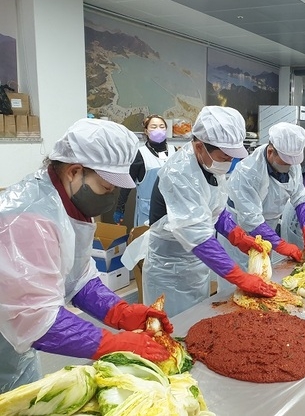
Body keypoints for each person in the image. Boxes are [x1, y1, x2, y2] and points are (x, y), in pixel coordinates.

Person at [0, 119, 173, 393]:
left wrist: (119, 311)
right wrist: (114, 344)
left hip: (17, 352)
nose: (112, 195)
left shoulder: (66, 203)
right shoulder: (27, 219)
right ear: (74, 172)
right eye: (107, 187)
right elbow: (34, 316)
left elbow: (77, 277)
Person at [143, 106, 276, 317]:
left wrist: (238, 237)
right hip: (170, 267)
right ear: (199, 146)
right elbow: (197, 234)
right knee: (173, 327)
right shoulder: (179, 174)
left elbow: (215, 210)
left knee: (197, 321)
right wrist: (240, 277)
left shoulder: (210, 165)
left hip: (197, 263)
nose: (229, 162)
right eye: (224, 157)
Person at [218, 122, 305, 291]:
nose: (290, 167)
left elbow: (300, 197)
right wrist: (282, 245)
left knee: (263, 275)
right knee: (239, 281)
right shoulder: (247, 172)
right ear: (270, 152)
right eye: (286, 163)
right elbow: (251, 220)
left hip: (267, 225)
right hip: (241, 229)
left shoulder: (291, 164)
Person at [113, 115, 176, 227]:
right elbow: (128, 184)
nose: (158, 130)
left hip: (172, 211)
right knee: (146, 243)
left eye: (162, 126)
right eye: (154, 127)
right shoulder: (140, 154)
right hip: (147, 213)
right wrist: (120, 208)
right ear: (146, 131)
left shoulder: (174, 151)